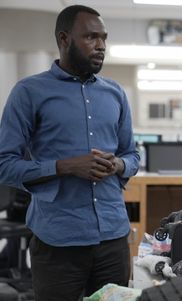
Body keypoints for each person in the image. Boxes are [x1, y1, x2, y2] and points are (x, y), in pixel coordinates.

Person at [0, 5, 139, 301]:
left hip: (113, 237)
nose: (101, 46)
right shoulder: (29, 92)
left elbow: (133, 156)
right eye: (91, 37)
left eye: (104, 38)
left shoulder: (115, 93)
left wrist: (117, 165)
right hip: (58, 240)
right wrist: (64, 166)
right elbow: (4, 165)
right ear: (64, 39)